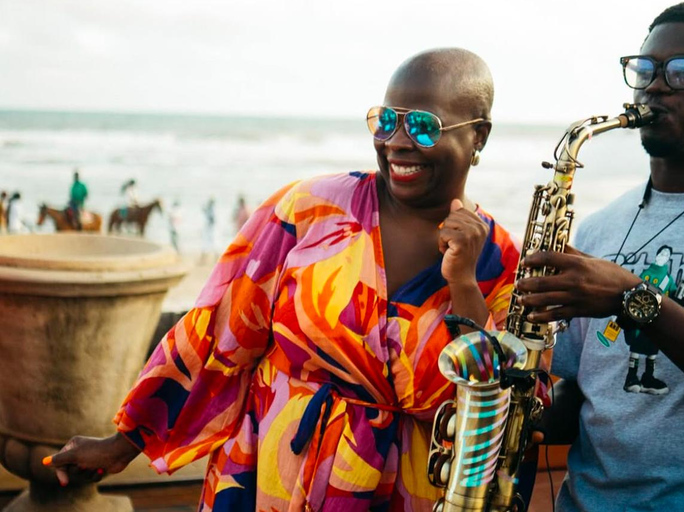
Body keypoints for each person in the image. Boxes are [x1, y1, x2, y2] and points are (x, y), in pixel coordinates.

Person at [45, 48, 523, 511]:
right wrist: (124, 443)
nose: (397, 141)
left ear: (478, 136)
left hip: (407, 493)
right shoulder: (310, 211)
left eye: (423, 125)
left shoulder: (499, 260)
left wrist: (463, 282)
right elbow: (218, 330)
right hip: (270, 478)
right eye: (386, 120)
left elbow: (497, 411)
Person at [520, 3, 684, 510]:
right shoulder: (600, 224)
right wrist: (523, 415)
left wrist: (632, 297)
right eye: (645, 70)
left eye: (683, 72)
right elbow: (589, 388)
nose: (654, 86)